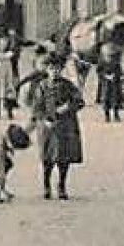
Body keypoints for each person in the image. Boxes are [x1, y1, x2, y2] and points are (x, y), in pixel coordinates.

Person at [28, 52, 85, 200]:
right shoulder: (41, 86)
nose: (55, 71)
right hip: (47, 127)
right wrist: (44, 120)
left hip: (65, 126)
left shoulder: (68, 85)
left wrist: (67, 107)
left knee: (63, 158)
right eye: (51, 68)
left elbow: (79, 102)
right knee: (47, 158)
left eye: (58, 68)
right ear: (46, 69)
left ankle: (61, 186)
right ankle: (46, 186)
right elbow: (35, 107)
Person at [95, 23, 124, 123]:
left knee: (116, 97)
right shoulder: (102, 54)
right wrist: (105, 75)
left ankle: (116, 115)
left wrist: (116, 75)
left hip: (115, 78)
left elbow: (118, 66)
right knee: (107, 97)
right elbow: (99, 68)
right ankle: (107, 116)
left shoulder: (116, 52)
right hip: (106, 79)